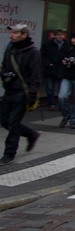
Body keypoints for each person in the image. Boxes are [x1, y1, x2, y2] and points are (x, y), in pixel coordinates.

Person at [0, 24, 42, 164]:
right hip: (9, 89)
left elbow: (36, 75)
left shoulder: (33, 52)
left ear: (24, 35)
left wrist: (32, 94)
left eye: (15, 33)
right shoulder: (10, 48)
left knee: (13, 122)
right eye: (11, 32)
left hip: (22, 92)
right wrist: (5, 76)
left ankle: (9, 153)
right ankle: (31, 134)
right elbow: (5, 65)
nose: (12, 35)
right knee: (4, 120)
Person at [41, 29, 66, 111]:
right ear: (54, 36)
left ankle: (61, 105)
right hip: (50, 69)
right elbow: (42, 56)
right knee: (50, 88)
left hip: (61, 69)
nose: (60, 36)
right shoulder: (47, 45)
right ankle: (51, 104)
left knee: (61, 89)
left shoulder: (66, 45)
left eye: (62, 35)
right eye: (58, 35)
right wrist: (48, 63)